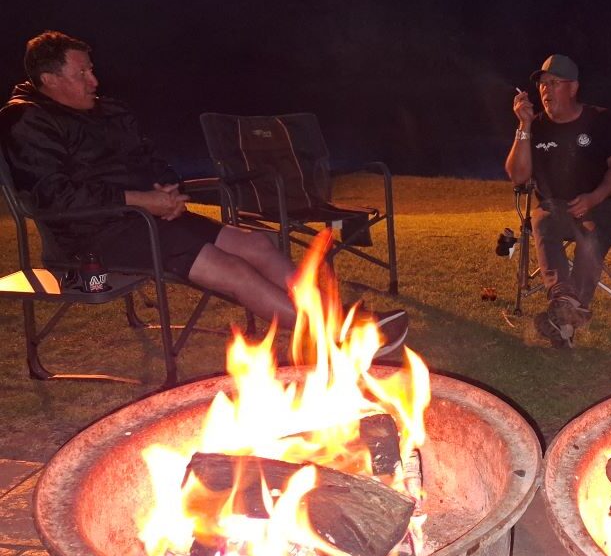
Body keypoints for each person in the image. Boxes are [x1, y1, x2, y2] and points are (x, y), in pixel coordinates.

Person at [0, 31, 407, 355]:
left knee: (258, 244)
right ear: (48, 80)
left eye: (92, 70)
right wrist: (143, 201)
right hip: (91, 237)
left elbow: (149, 157)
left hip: (149, 216)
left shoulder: (109, 111)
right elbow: (55, 196)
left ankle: (335, 319)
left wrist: (167, 189)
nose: (94, 80)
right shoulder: (27, 121)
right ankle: (337, 339)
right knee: (235, 271)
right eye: (82, 74)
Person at [505, 54, 611, 347]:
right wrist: (523, 127)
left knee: (591, 231)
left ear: (573, 88)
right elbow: (518, 177)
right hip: (555, 206)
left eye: (553, 83)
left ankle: (563, 312)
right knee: (543, 218)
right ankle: (566, 304)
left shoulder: (601, 120)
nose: (545, 90)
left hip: (602, 203)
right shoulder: (534, 127)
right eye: (542, 84)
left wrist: (594, 197)